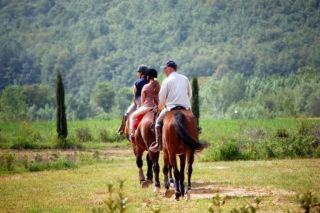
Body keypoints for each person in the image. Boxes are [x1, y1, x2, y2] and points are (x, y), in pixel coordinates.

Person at [149, 60, 192, 152]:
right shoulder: (185, 78)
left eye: (165, 68)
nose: (164, 70)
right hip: (186, 107)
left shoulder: (167, 80)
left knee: (157, 123)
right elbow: (190, 94)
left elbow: (162, 97)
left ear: (170, 68)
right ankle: (195, 138)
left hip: (170, 108)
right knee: (193, 121)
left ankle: (158, 144)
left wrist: (161, 107)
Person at [129, 68, 160, 142]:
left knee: (132, 116)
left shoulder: (145, 87)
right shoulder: (158, 85)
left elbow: (143, 101)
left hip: (147, 106)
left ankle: (132, 134)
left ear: (148, 76)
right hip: (157, 106)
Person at [117, 64, 149, 135]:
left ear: (141, 73)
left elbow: (134, 93)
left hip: (138, 102)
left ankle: (122, 129)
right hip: (149, 102)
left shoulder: (137, 82)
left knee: (126, 114)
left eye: (138, 72)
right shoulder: (150, 81)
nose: (137, 74)